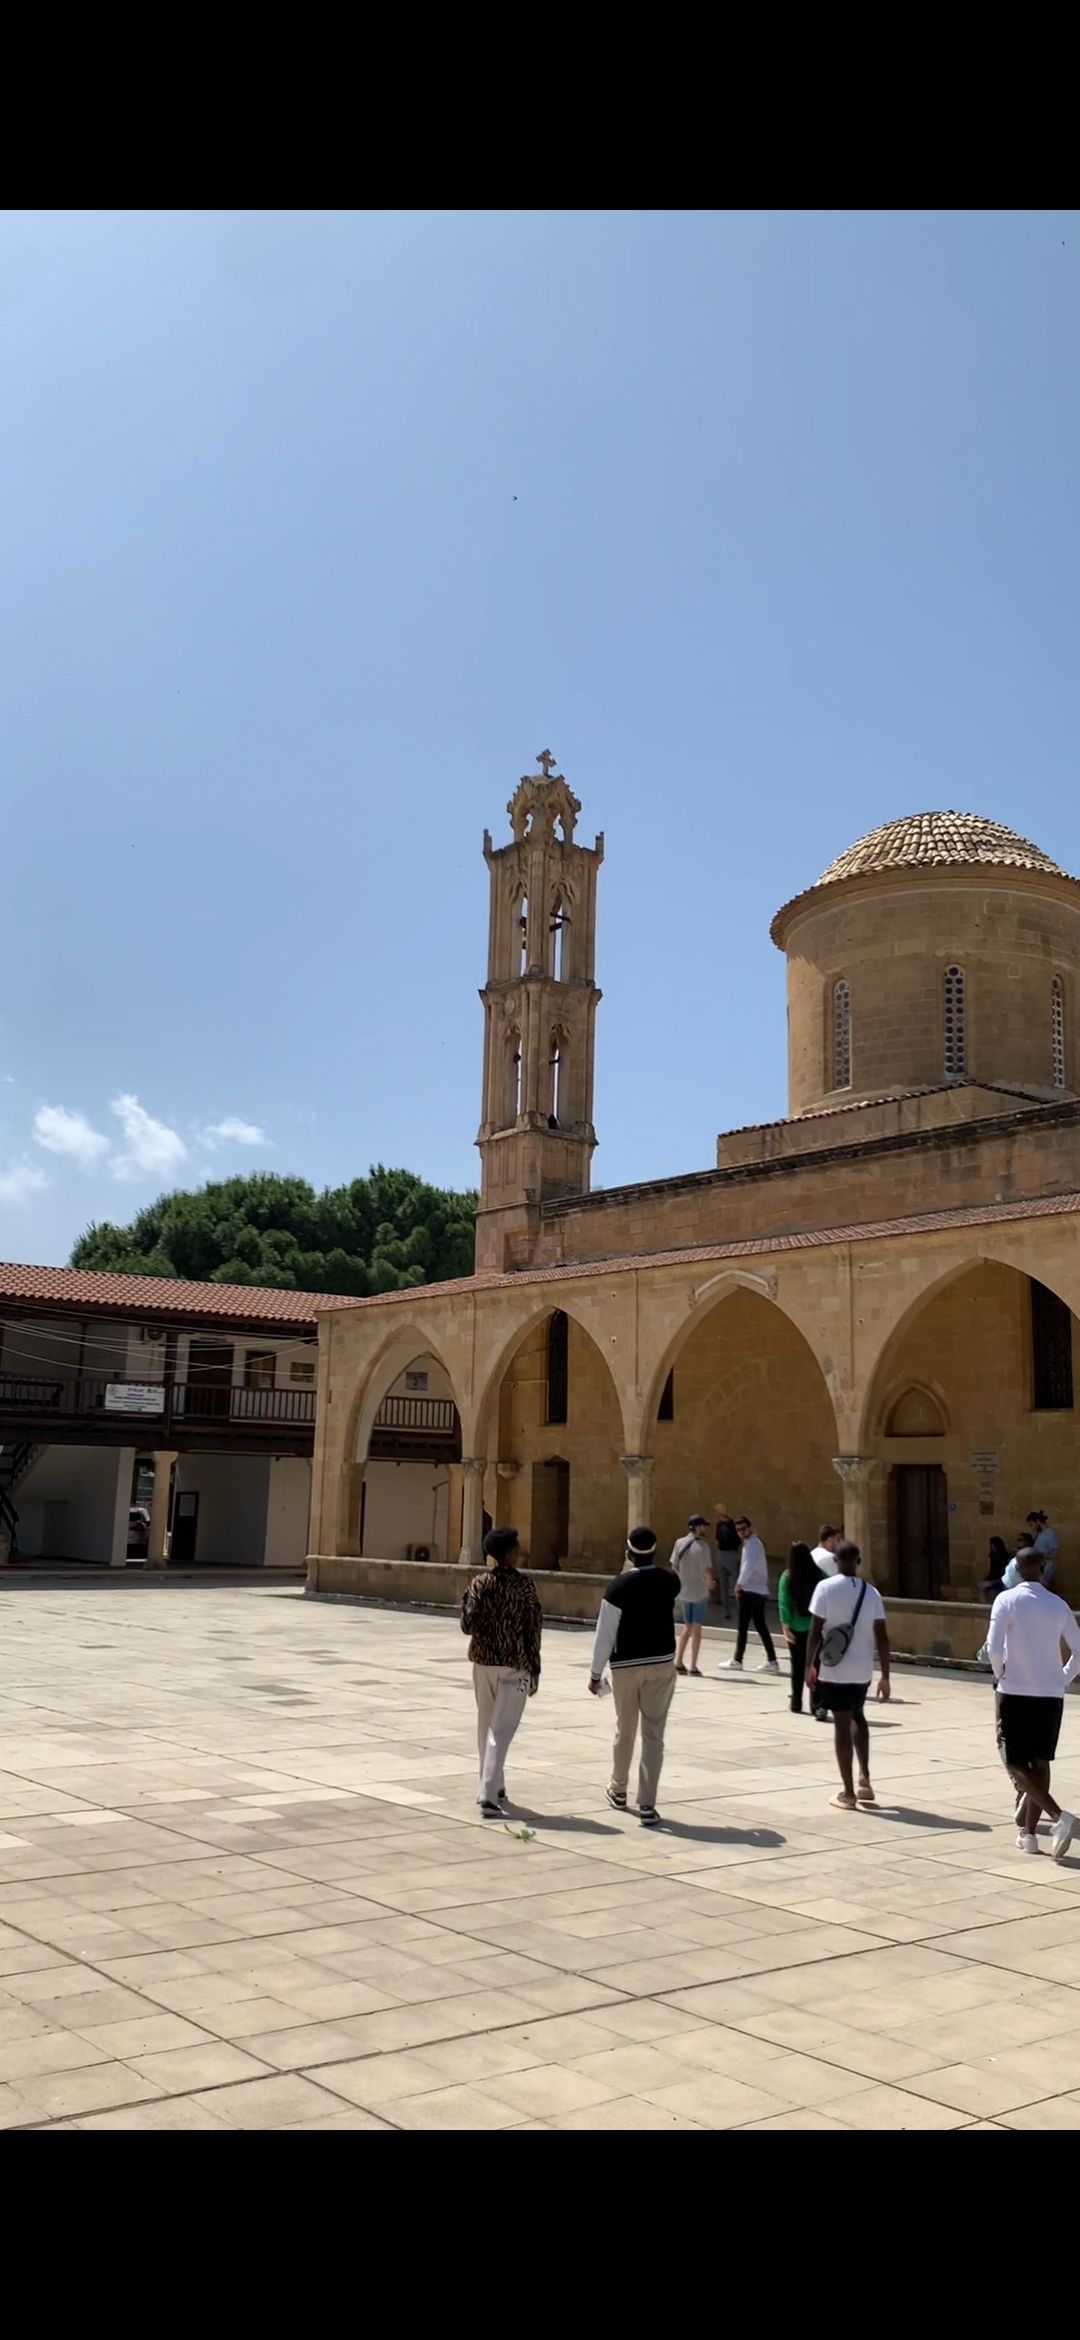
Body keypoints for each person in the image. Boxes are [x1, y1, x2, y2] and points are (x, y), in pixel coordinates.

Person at [985, 1545, 1080, 1858]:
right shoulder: (1058, 1605)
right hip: (1050, 1695)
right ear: (1042, 1568)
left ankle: (1058, 1817)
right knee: (1041, 1761)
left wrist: (1000, 1674)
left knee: (1014, 1760)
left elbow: (994, 1647)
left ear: (1017, 1568)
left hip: (1016, 1691)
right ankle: (1028, 1835)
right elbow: (1079, 1652)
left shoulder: (1006, 1600)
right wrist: (1061, 1678)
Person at [589, 1525, 680, 1826]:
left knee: (624, 1729)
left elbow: (605, 1633)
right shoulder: (669, 1582)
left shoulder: (618, 1587)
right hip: (661, 1663)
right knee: (653, 1735)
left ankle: (618, 1789)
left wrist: (594, 1673)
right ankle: (647, 1805)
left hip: (626, 1665)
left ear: (628, 1553)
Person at [461, 1525, 543, 1818]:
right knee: (502, 1728)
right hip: (514, 1664)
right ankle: (488, 1794)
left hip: (483, 1664)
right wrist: (535, 1668)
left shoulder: (479, 1583)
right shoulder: (523, 1586)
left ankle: (494, 1784)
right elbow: (532, 1630)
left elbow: (466, 1625)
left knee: (486, 1725)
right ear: (508, 1553)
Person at [806, 1540, 890, 1809]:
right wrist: (885, 1675)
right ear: (858, 1561)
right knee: (858, 1716)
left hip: (834, 1668)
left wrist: (810, 1665)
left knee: (841, 1725)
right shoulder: (872, 1593)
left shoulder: (825, 1588)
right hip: (863, 1669)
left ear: (836, 1561)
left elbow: (815, 1630)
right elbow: (883, 1636)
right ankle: (865, 1778)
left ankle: (848, 1792)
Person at [720, 1516, 779, 1673]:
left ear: (749, 1527)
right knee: (760, 1626)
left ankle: (738, 1659)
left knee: (743, 1626)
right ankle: (772, 1660)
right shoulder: (751, 1543)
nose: (741, 1532)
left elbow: (748, 1566)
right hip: (757, 1590)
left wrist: (739, 1584)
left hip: (750, 1590)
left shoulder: (753, 1544)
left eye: (743, 1528)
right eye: (738, 1530)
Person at [778, 1541, 823, 1714]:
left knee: (797, 1666)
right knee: (815, 1665)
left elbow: (783, 1602)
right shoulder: (819, 1574)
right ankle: (816, 1704)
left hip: (796, 1628)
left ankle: (796, 1701)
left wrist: (785, 1625)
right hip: (816, 1628)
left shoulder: (787, 1576)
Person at [672, 1513, 714, 1677]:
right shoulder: (702, 1547)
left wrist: (683, 1579)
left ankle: (679, 1661)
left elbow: (673, 1565)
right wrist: (710, 1584)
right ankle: (693, 1665)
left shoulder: (679, 1543)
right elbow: (706, 1571)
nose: (704, 1528)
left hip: (685, 1591)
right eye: (703, 1525)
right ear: (697, 1527)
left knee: (687, 1626)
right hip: (699, 1592)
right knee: (697, 1629)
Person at [713, 1505, 741, 1620]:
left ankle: (741, 1609)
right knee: (723, 1583)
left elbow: (737, 1540)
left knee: (736, 1583)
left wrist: (736, 1554)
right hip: (721, 1553)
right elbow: (718, 1539)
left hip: (730, 1553)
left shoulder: (731, 1524)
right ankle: (726, 1610)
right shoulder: (718, 1524)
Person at [1027, 1510, 1060, 1588]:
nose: (1032, 1527)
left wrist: (1040, 1556)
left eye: (1032, 1524)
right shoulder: (1040, 1533)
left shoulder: (1050, 1533)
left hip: (1046, 1568)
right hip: (1039, 1567)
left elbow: (1055, 1554)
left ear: (1037, 1521)